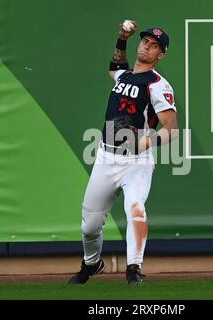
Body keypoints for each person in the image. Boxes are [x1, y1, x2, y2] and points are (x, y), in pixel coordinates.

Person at [68, 20, 178, 285]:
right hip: (106, 157)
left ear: (160, 55)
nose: (147, 47)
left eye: (154, 46)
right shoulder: (124, 76)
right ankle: (92, 263)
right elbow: (114, 68)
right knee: (89, 225)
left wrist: (146, 142)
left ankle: (134, 269)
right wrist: (122, 38)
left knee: (135, 209)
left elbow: (172, 130)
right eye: (145, 41)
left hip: (136, 162)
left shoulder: (158, 85)